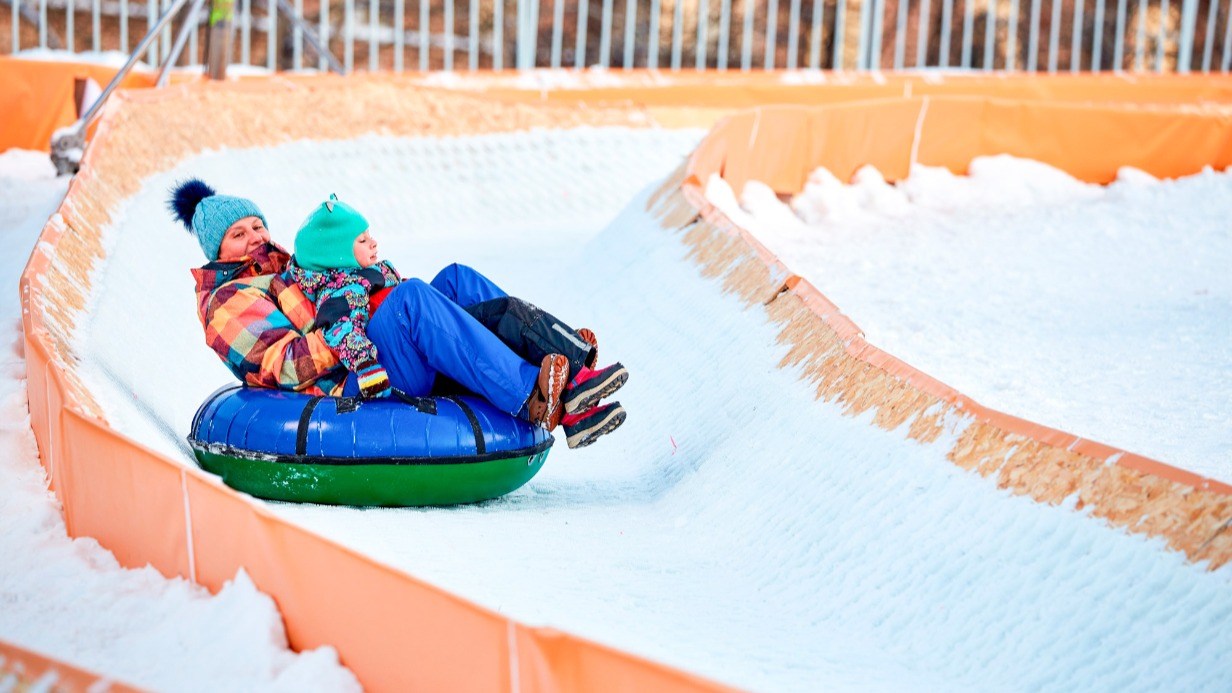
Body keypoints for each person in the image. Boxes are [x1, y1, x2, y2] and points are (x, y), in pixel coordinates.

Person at [171, 179, 627, 449]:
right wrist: (348, 326)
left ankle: (569, 381)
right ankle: (532, 394)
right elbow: (282, 365)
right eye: (238, 234)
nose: (255, 236)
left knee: (455, 280)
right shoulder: (229, 300)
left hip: (366, 347)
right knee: (410, 301)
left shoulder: (288, 266)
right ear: (217, 250)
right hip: (351, 380)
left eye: (257, 225)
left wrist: (364, 287)